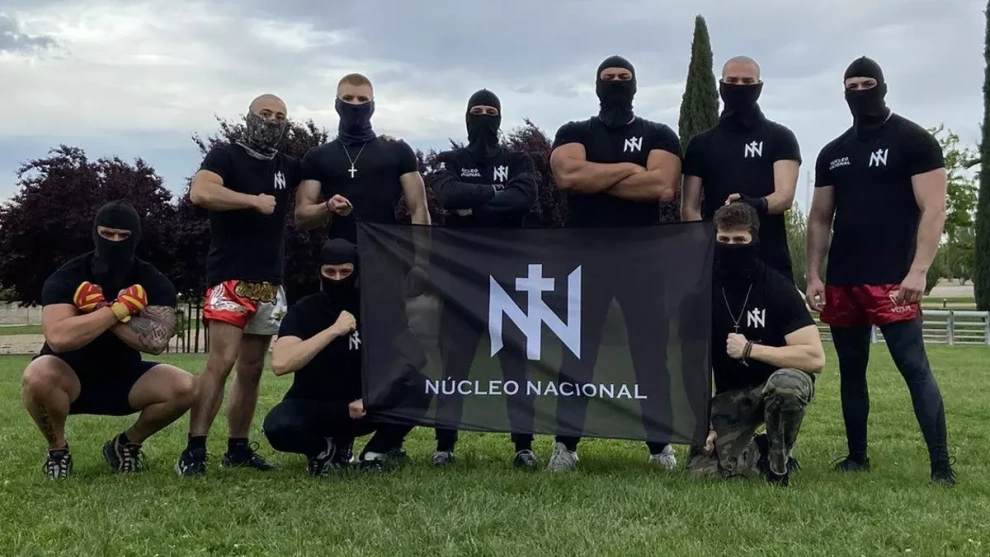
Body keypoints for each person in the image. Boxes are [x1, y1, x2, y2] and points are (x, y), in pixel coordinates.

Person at [807, 56, 955, 484]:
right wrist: (814, 274)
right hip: (844, 280)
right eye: (851, 86)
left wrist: (919, 270)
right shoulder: (833, 152)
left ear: (883, 87)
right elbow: (819, 217)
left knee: (914, 368)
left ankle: (941, 467)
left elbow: (934, 209)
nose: (859, 92)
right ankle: (857, 457)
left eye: (866, 84)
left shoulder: (914, 141)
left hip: (894, 280)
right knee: (851, 372)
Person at [548, 55, 682, 471]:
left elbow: (661, 186)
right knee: (577, 354)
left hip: (642, 260)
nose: (617, 83)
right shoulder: (574, 131)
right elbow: (568, 177)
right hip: (583, 258)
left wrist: (596, 178)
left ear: (635, 85)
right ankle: (565, 446)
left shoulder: (659, 134)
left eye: (624, 77)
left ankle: (660, 447)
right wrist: (628, 169)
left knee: (650, 354)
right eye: (609, 77)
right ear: (597, 85)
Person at [21, 201, 195, 479]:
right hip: (67, 378)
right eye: (107, 233)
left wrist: (102, 311)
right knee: (37, 374)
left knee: (187, 387)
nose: (114, 241)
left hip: (125, 377)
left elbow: (157, 342)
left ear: (135, 237)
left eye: (123, 235)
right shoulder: (68, 276)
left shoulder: (152, 280)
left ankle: (126, 444)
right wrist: (117, 310)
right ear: (95, 232)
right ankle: (58, 451)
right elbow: (58, 338)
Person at [176, 93, 300, 476]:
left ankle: (238, 447)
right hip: (230, 276)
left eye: (280, 116)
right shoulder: (225, 156)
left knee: (251, 368)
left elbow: (328, 172)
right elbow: (201, 192)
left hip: (269, 281)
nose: (272, 121)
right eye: (265, 113)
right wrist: (252, 201)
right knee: (222, 361)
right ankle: (194, 449)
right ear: (249, 117)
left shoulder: (286, 165)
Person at [426, 88, 539, 468]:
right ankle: (445, 445)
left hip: (510, 279)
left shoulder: (518, 159)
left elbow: (524, 197)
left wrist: (472, 208)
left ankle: (523, 446)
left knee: (516, 363)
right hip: (460, 278)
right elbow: (447, 195)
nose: (485, 117)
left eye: (491, 111)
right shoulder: (450, 159)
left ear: (500, 118)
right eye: (478, 111)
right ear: (467, 117)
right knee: (454, 363)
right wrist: (495, 193)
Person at [686, 203, 823, 486]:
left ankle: (778, 462)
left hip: (773, 385)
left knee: (788, 385)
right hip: (731, 396)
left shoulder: (777, 287)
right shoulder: (702, 288)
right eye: (723, 239)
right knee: (702, 472)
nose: (730, 246)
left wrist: (750, 349)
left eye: (739, 240)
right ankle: (760, 450)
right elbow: (689, 362)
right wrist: (702, 422)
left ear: (754, 241)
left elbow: (814, 358)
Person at [262, 239, 420, 474]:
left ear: (357, 271)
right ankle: (323, 451)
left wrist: (374, 396)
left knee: (419, 388)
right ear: (320, 271)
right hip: (316, 405)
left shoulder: (377, 306)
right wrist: (333, 331)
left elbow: (413, 357)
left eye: (345, 272)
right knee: (277, 426)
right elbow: (281, 364)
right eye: (330, 272)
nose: (337, 279)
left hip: (364, 406)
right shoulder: (304, 310)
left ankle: (372, 454)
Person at [681, 56, 801, 282]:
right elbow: (689, 207)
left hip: (769, 255)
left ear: (759, 86)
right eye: (732, 81)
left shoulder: (780, 137)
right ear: (721, 84)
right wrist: (705, 244)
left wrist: (754, 204)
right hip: (717, 257)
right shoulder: (701, 143)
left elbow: (785, 197)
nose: (739, 87)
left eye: (747, 82)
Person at [295, 72, 430, 241]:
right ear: (336, 104)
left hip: (385, 251)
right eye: (347, 98)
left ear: (372, 105)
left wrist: (421, 257)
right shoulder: (317, 156)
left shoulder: (397, 151)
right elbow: (301, 218)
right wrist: (328, 207)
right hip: (339, 254)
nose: (355, 104)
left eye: (362, 99)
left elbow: (419, 210)